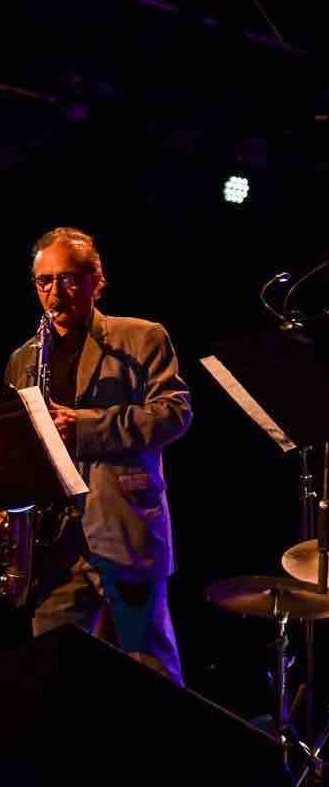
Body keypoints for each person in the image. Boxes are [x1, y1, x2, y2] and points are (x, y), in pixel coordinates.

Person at [4, 227, 192, 684]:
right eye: (44, 282)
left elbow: (174, 413)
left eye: (68, 279)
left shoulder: (140, 338)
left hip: (123, 524)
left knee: (150, 669)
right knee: (49, 676)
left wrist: (84, 426)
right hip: (53, 543)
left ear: (96, 280)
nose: (54, 293)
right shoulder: (22, 359)